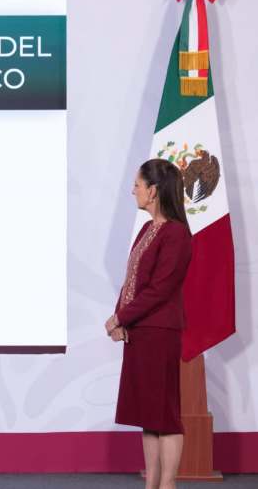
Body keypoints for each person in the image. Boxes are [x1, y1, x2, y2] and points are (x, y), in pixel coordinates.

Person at [105, 159, 192, 489]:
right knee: (149, 414)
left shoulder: (176, 234)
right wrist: (120, 316)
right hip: (139, 332)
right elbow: (132, 280)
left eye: (138, 185)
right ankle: (151, 483)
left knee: (164, 415)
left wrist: (120, 317)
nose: (133, 190)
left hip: (159, 333)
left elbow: (159, 290)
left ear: (153, 191)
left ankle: (167, 484)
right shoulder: (147, 229)